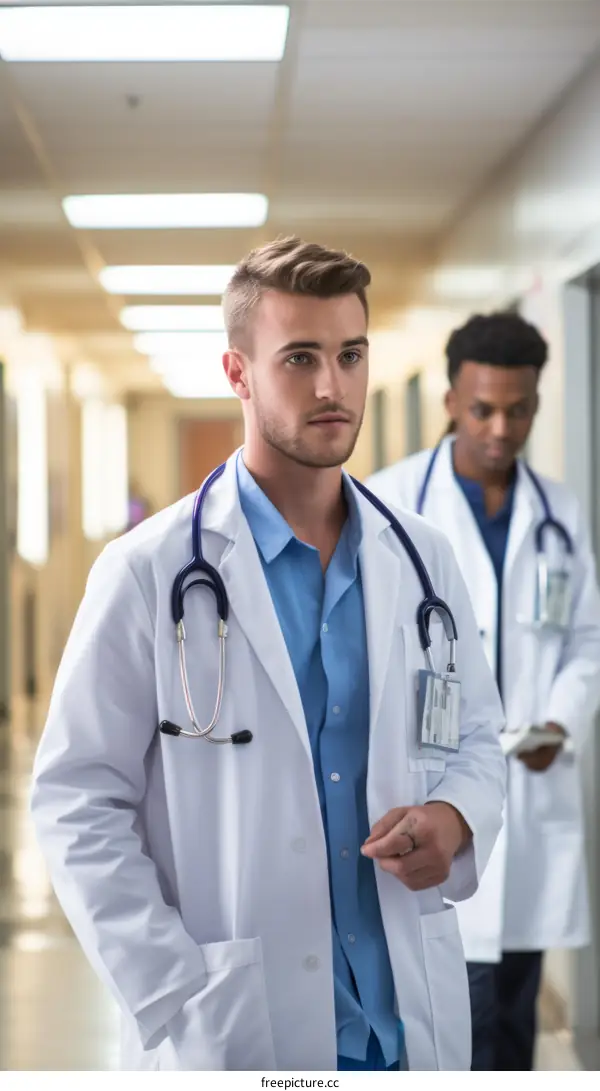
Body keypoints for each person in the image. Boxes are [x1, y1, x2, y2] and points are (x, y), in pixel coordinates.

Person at [30, 239, 505, 1073]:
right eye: (300, 358)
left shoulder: (422, 558)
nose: (333, 386)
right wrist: (173, 986)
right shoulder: (150, 572)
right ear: (239, 372)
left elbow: (476, 736)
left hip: (403, 1025)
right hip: (236, 1028)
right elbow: (76, 800)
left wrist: (456, 815)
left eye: (351, 355)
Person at [367, 311, 600, 1071]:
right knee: (443, 1022)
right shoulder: (389, 505)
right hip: (435, 792)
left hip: (531, 792)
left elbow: (586, 640)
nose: (503, 427)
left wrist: (561, 721)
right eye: (483, 409)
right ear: (449, 402)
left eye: (521, 407)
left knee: (515, 1023)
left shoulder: (559, 512)